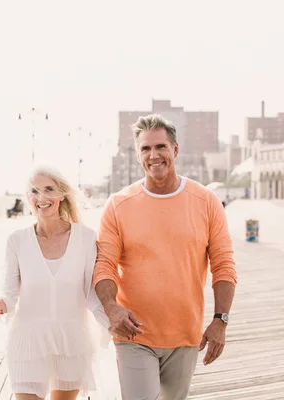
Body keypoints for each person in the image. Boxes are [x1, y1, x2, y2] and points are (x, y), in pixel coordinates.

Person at [93, 114, 237, 400]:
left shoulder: (205, 201)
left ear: (175, 149)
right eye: (145, 149)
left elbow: (223, 265)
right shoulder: (118, 205)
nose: (153, 155)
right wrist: (111, 307)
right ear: (138, 156)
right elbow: (104, 265)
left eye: (160, 146)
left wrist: (220, 320)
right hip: (133, 333)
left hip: (185, 335)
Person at [0, 166, 109, 400]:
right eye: (34, 191)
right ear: (28, 197)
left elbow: (92, 296)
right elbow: (10, 295)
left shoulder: (86, 238)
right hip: (27, 340)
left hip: (71, 341)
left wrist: (114, 324)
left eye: (49, 190)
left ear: (62, 195)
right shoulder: (17, 240)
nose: (41, 198)